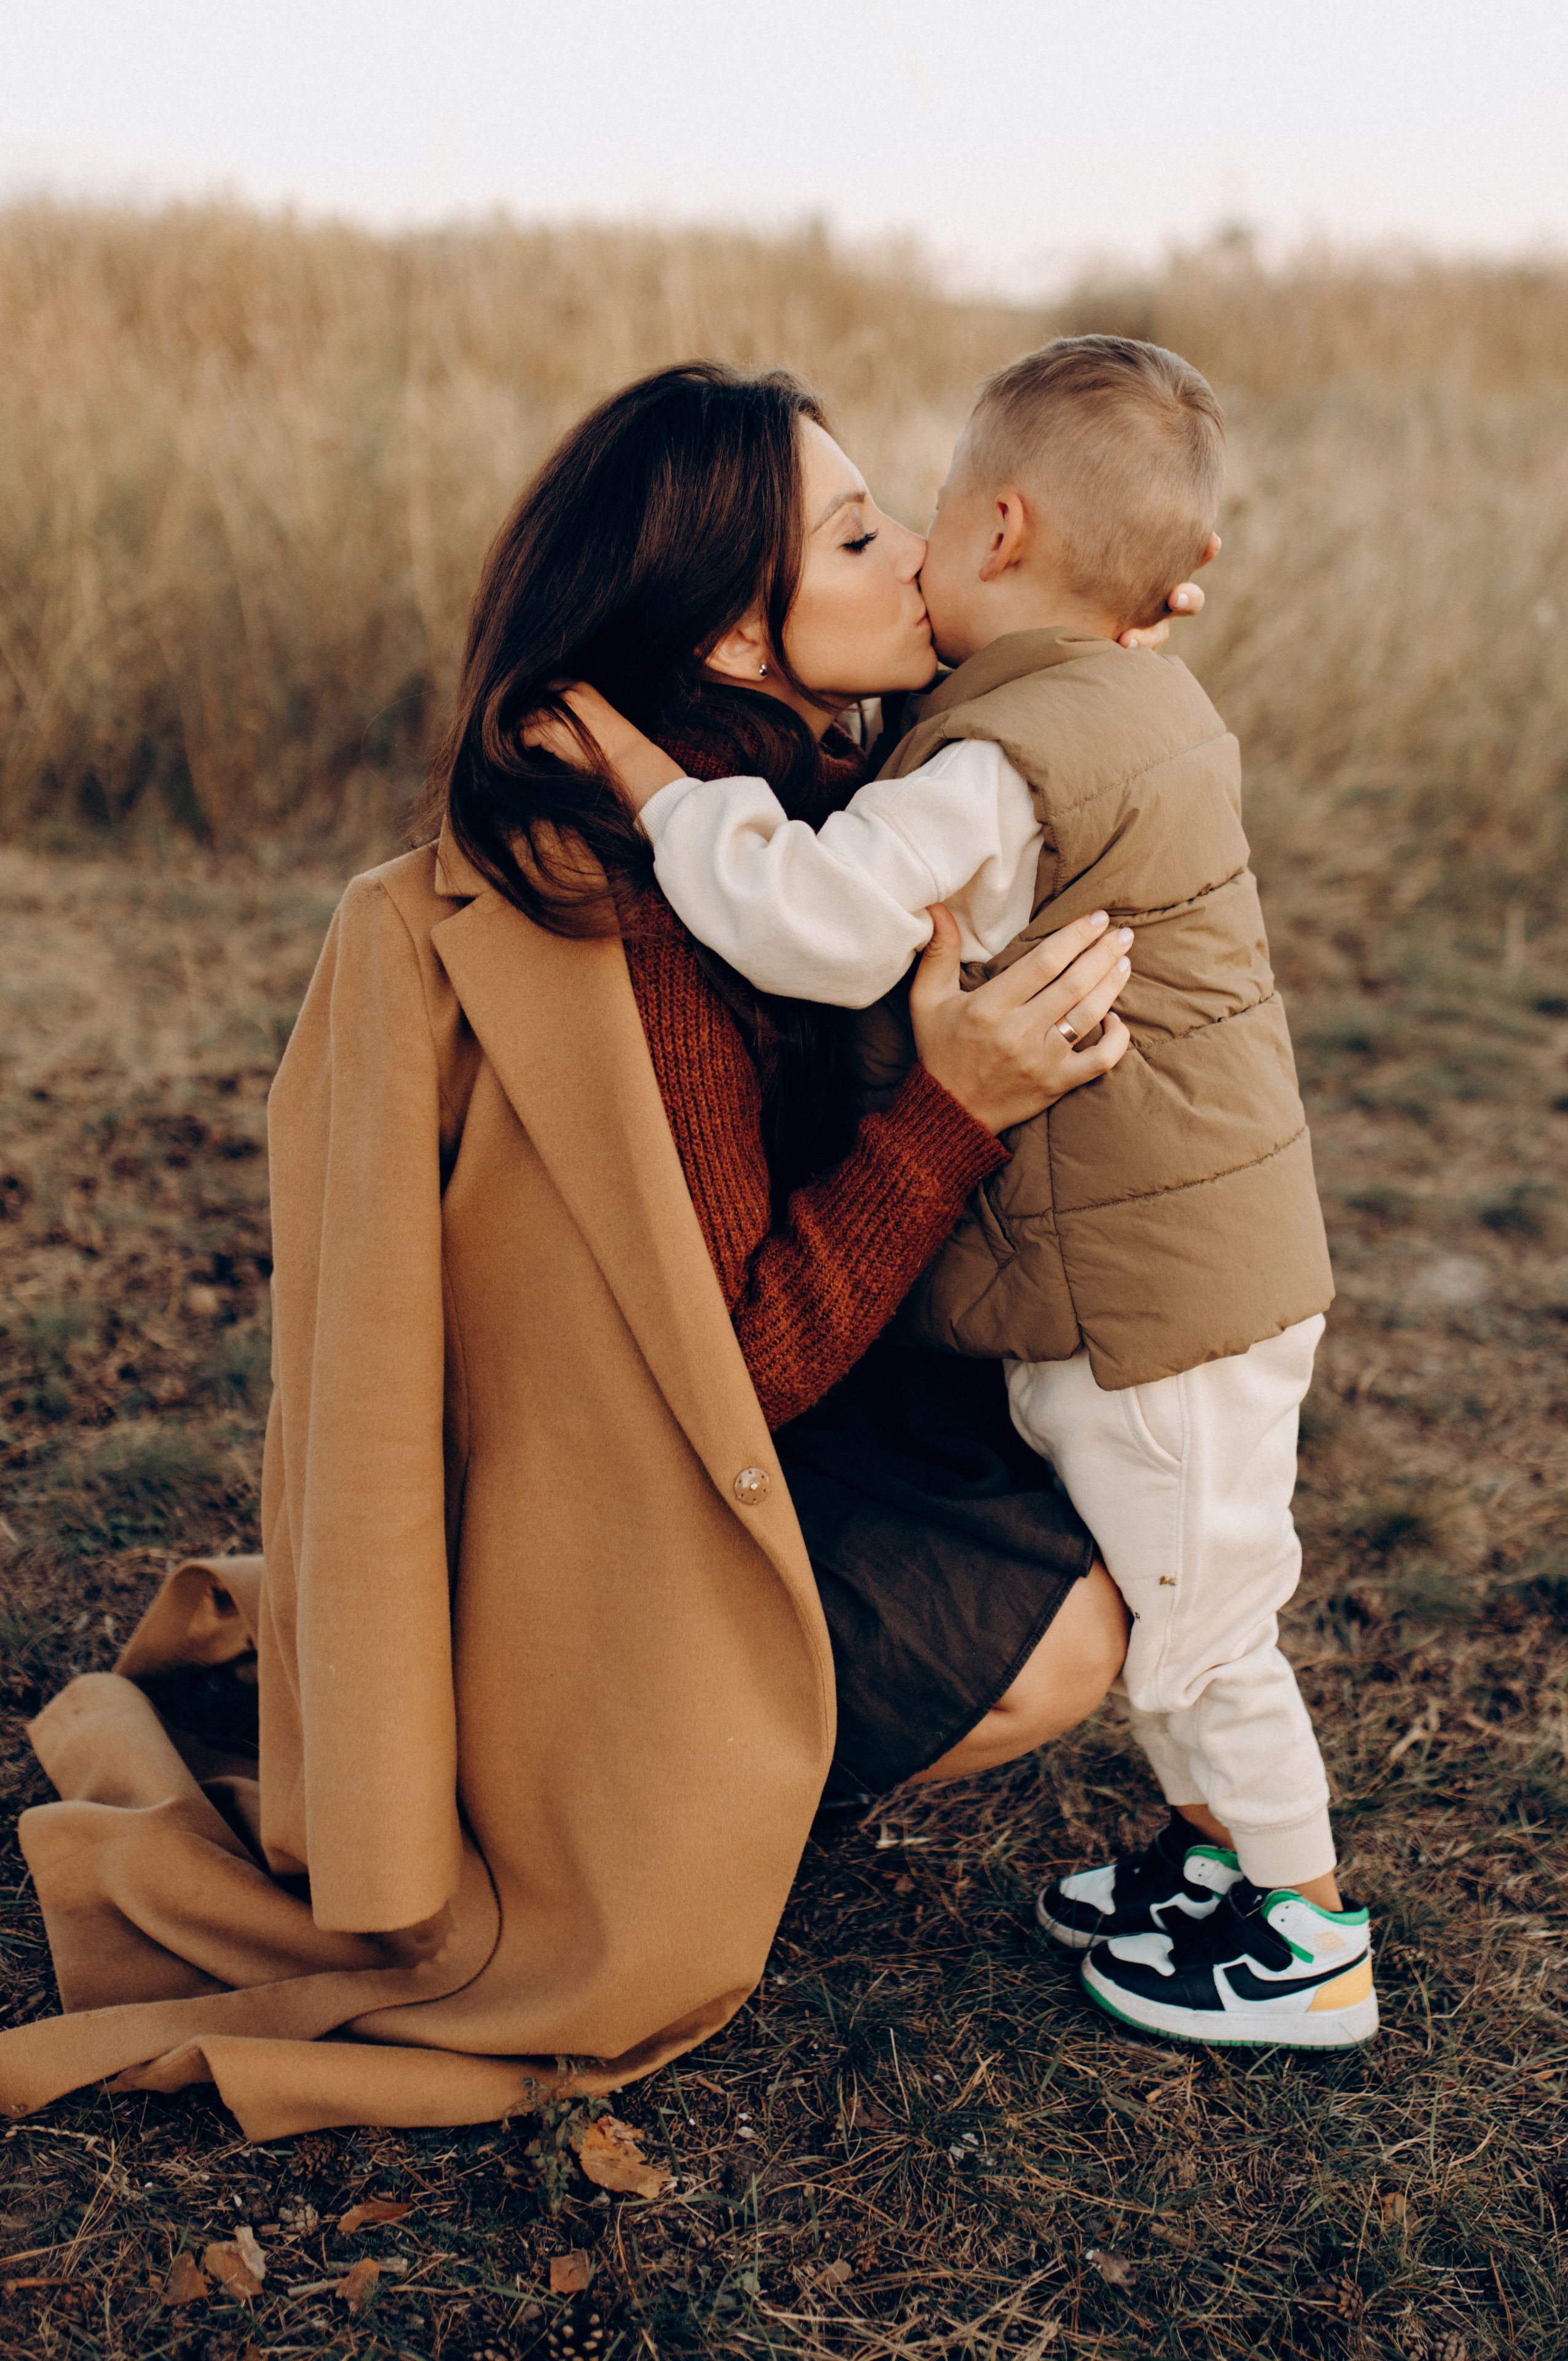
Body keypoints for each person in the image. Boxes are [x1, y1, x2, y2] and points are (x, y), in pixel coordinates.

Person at [0, 361, 1180, 2138]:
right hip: (629, 1525)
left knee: (1114, 1495)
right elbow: (748, 1359)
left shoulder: (785, 813)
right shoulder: (631, 916)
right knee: (1069, 1630)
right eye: (860, 537)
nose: (922, 563)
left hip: (671, 1463)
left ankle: (742, 1760)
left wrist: (1098, 647)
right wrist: (953, 1104)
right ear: (729, 642)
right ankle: (676, 1794)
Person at [559, 338, 1377, 2051]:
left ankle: (1302, 1928)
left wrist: (664, 792)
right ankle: (1225, 1868)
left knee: (1207, 1615)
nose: (905, 560)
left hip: (1163, 1293)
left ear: (997, 530)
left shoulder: (989, 759)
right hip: (1171, 1272)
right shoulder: (1101, 705)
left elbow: (819, 909)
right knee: (1191, 1586)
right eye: (854, 539)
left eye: (899, 524)